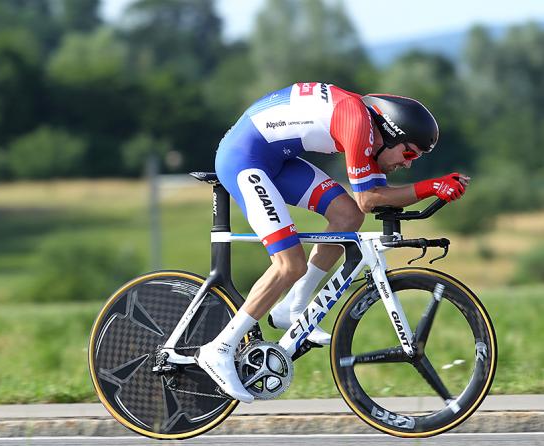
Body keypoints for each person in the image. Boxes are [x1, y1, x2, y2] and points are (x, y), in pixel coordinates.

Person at [194, 82, 470, 403]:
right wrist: (430, 186)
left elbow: (370, 203)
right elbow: (369, 199)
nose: (408, 163)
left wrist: (429, 189)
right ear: (389, 133)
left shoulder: (369, 131)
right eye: (408, 153)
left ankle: (293, 306)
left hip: (277, 159)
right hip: (245, 158)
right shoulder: (357, 124)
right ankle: (219, 349)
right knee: (289, 264)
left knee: (347, 217)